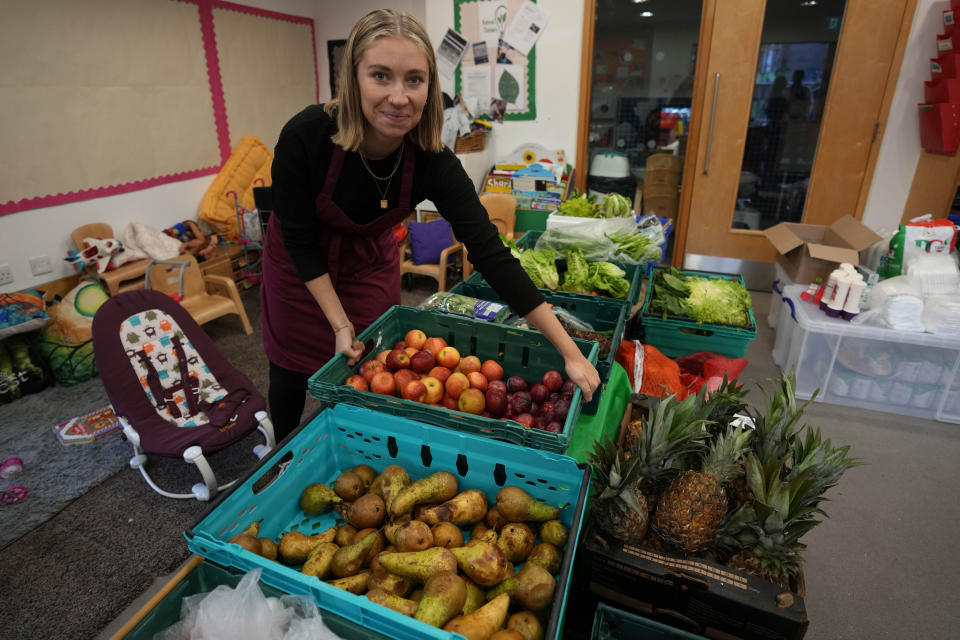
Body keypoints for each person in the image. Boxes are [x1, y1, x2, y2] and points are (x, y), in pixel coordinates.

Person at [261, 9, 600, 440]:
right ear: (353, 79)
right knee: (290, 371)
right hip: (301, 270)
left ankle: (352, 444)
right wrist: (338, 322)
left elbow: (491, 253)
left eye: (414, 80)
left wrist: (569, 352)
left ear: (430, 86)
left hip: (368, 266)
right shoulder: (305, 137)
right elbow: (298, 239)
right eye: (380, 76)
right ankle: (280, 452)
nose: (399, 97)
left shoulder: (432, 161)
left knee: (374, 367)